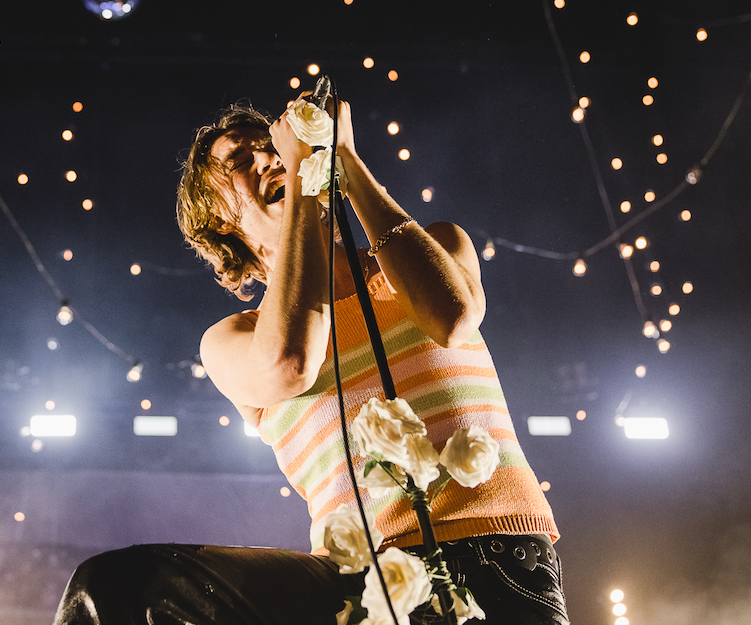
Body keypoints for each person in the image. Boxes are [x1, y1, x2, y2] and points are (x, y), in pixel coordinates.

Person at [51, 93, 568, 625]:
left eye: (270, 148)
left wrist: (346, 158)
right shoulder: (234, 337)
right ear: (219, 220)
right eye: (241, 161)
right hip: (356, 585)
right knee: (114, 589)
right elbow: (290, 363)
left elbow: (453, 317)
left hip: (498, 554)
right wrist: (299, 174)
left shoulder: (435, 246)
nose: (270, 159)